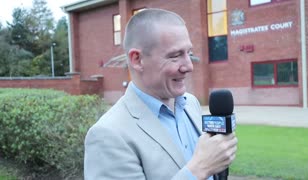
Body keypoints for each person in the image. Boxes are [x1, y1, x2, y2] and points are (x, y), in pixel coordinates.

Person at [84, 8, 238, 180]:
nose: (189, 66)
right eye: (175, 55)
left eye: (189, 53)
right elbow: (201, 167)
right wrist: (199, 170)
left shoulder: (191, 104)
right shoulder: (108, 135)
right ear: (137, 60)